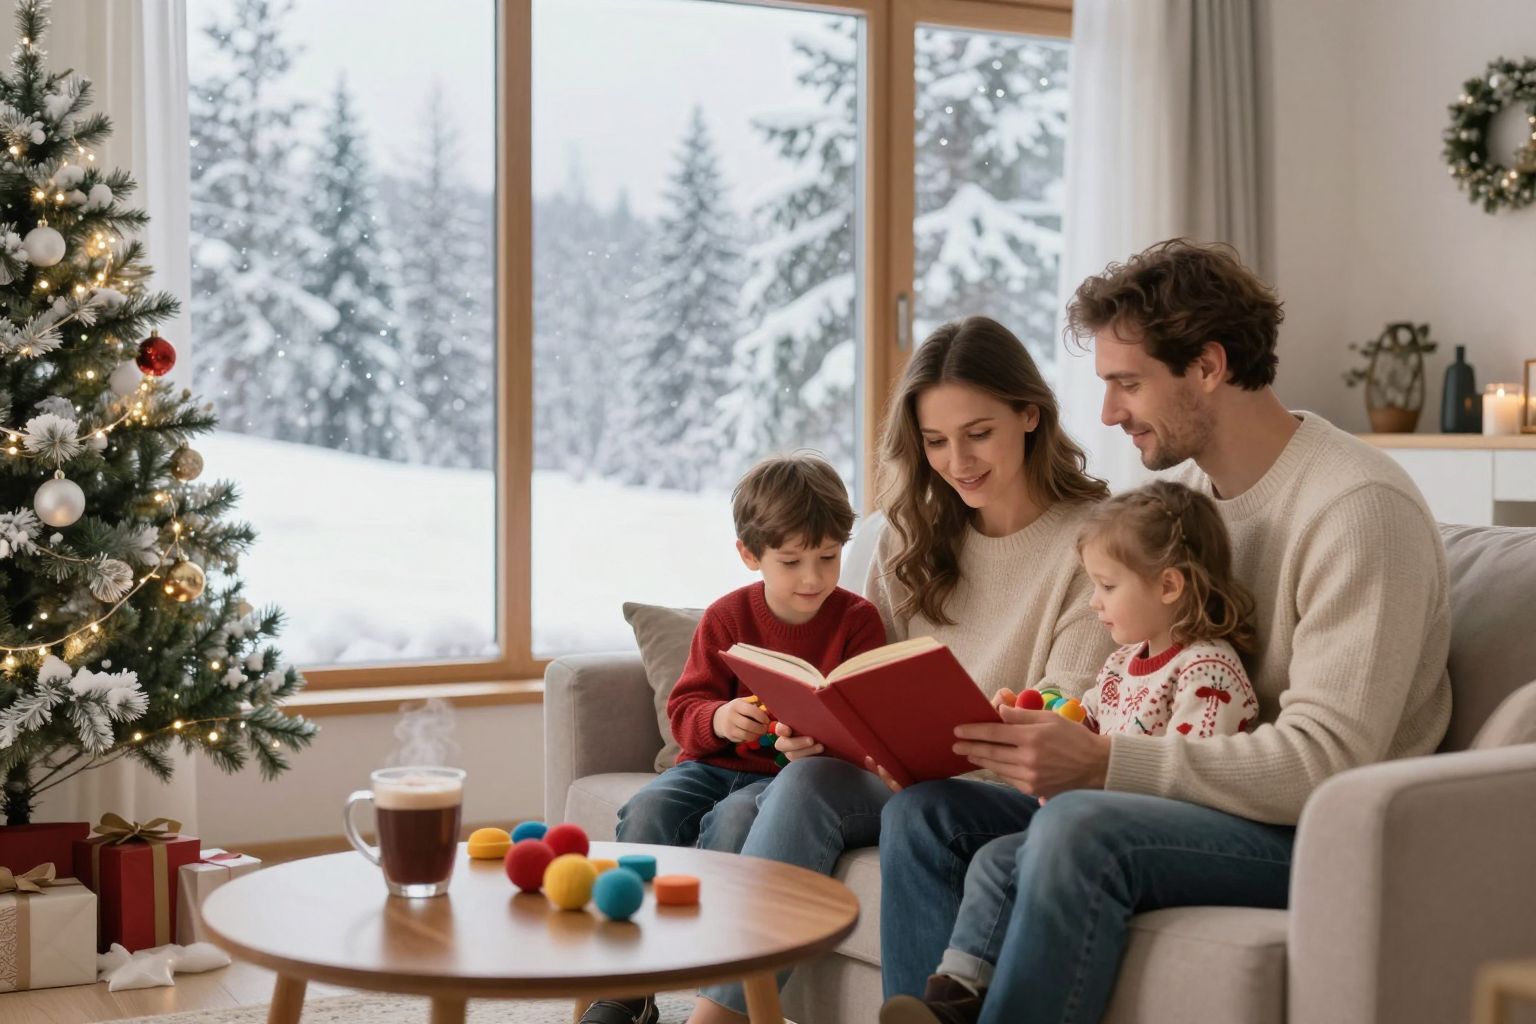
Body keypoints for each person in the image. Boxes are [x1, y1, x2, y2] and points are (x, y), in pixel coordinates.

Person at [878, 239, 1452, 1024]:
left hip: (1320, 836)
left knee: (1080, 824)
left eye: (1127, 384)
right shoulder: (1180, 501)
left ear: (1209, 367)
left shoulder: (1356, 510)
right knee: (927, 813)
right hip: (1206, 803)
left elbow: (1331, 762)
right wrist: (1062, 726)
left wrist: (1106, 761)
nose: (1110, 413)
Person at [683, 316, 1116, 1024]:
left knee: (891, 804)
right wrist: (818, 730)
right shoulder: (908, 532)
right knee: (810, 776)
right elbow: (866, 677)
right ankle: (725, 1016)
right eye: (936, 441)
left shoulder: (1093, 534)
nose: (958, 461)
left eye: (978, 433)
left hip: (994, 791)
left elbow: (1067, 702)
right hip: (898, 778)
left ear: (1030, 415)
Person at [882, 478, 1261, 1024]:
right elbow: (1083, 730)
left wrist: (1089, 761)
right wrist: (1028, 726)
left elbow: (1189, 774)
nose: (1094, 602)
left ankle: (954, 1004)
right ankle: (951, 998)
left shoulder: (1208, 670)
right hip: (1074, 811)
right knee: (972, 845)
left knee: (998, 859)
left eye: (1106, 586)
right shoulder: (1118, 664)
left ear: (1170, 585)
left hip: (1147, 829)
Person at [586, 453, 885, 1024]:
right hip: (711, 766)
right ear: (751, 555)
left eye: (828, 558)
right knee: (647, 809)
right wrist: (719, 719)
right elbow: (685, 708)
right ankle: (628, 982)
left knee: (735, 823)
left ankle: (715, 964)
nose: (814, 578)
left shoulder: (857, 621)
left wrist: (818, 744)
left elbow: (863, 724)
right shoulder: (727, 617)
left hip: (784, 783)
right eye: (792, 561)